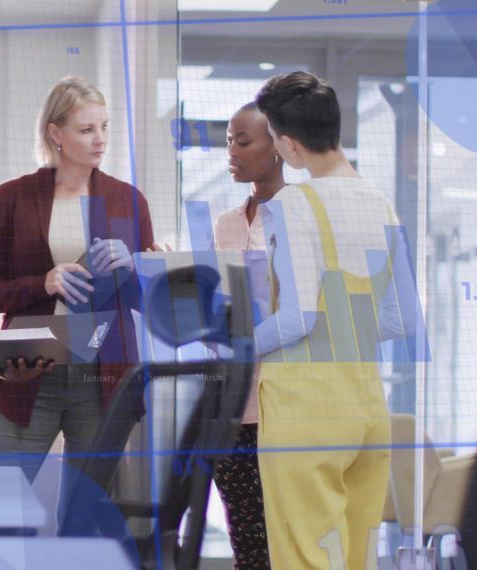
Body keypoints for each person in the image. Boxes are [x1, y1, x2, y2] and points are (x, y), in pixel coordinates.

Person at [252, 71, 416, 569]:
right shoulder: (380, 201)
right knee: (355, 558)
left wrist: (235, 343)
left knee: (305, 557)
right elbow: (401, 318)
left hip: (305, 412)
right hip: (367, 407)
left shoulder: (293, 203)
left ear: (289, 144)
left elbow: (298, 317)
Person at [0, 76, 154, 522]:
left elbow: (145, 303)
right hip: (29, 372)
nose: (100, 141)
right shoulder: (12, 198)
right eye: (86, 129)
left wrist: (139, 268)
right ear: (55, 133)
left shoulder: (127, 201)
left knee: (87, 519)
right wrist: (45, 282)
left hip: (104, 378)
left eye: (104, 127)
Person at [210, 101, 285, 570]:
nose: (232, 153)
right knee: (248, 548)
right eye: (228, 143)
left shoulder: (302, 221)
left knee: (288, 543)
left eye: (243, 142)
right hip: (232, 407)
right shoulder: (225, 224)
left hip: (286, 408)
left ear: (278, 147)